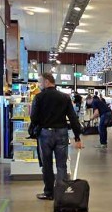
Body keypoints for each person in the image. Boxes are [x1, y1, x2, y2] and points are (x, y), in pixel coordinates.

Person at [30, 72, 82, 200]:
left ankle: (49, 193)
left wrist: (34, 129)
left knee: (47, 165)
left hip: (45, 134)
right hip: (62, 133)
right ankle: (61, 193)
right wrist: (77, 137)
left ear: (47, 82)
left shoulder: (39, 97)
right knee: (61, 165)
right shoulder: (65, 97)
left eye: (40, 82)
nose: (39, 84)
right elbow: (73, 117)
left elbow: (34, 117)